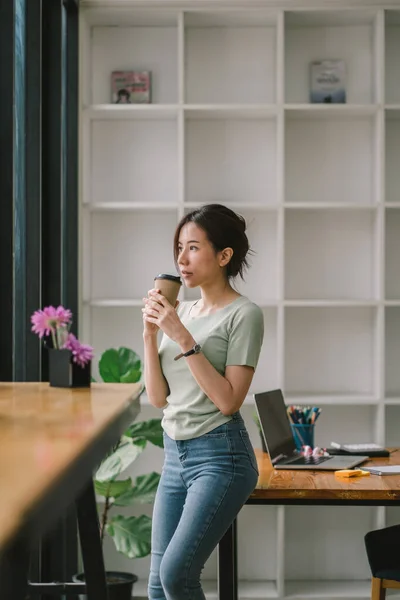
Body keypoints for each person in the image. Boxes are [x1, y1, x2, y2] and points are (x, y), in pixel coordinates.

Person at [142, 203, 264, 600]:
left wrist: (181, 337)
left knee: (176, 574)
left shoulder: (244, 315)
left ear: (224, 255)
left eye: (193, 247)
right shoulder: (184, 311)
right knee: (157, 583)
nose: (181, 258)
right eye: (179, 247)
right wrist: (149, 334)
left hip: (220, 456)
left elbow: (228, 401)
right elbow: (160, 398)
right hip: (174, 452)